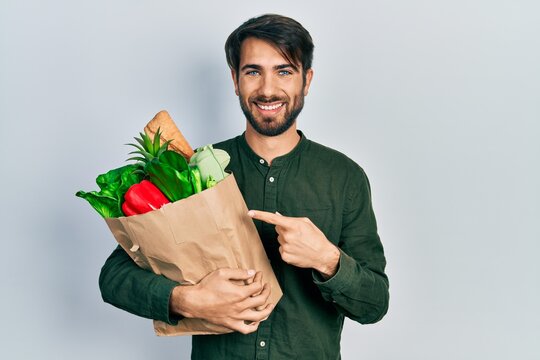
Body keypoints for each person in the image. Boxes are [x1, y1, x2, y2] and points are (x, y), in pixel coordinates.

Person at [99, 14, 389, 360]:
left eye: (284, 71)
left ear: (306, 81)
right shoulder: (193, 172)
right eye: (253, 72)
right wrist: (187, 298)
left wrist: (327, 259)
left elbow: (375, 304)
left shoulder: (344, 177)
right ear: (235, 81)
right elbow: (113, 276)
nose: (268, 89)